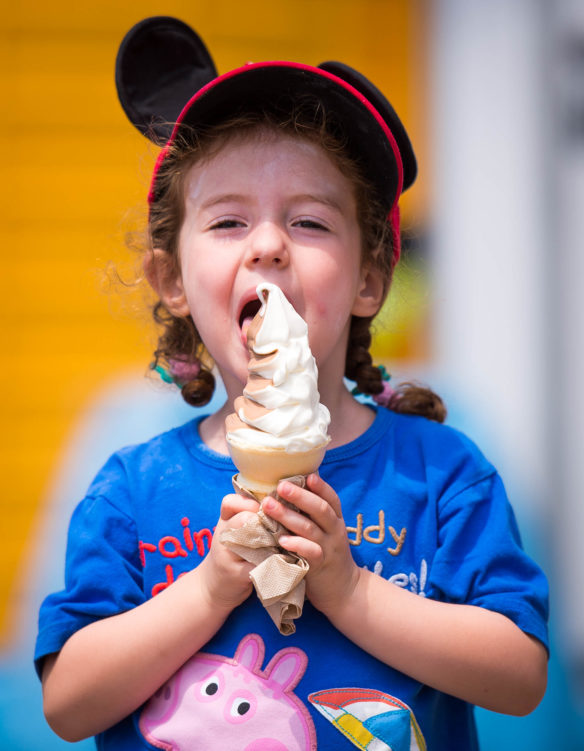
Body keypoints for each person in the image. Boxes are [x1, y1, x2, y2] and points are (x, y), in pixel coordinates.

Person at [35, 16, 549, 751]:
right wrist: (210, 586)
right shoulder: (130, 489)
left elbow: (521, 675)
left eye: (308, 221)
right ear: (171, 279)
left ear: (371, 277)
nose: (269, 244)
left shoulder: (441, 474)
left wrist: (350, 589)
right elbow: (67, 703)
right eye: (228, 221)